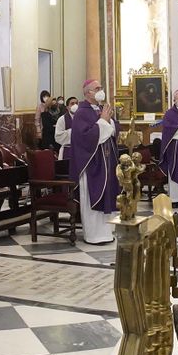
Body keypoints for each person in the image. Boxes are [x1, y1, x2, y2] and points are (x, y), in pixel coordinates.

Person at [69, 80, 120, 245]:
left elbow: (113, 131)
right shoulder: (81, 113)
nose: (100, 91)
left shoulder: (100, 109)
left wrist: (109, 121)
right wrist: (104, 121)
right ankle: (93, 235)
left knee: (107, 194)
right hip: (91, 163)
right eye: (97, 88)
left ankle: (107, 232)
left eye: (101, 88)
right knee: (92, 197)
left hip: (105, 161)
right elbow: (85, 138)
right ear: (87, 92)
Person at [56, 96, 78, 162]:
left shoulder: (82, 118)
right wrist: (73, 131)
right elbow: (58, 136)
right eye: (72, 103)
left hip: (80, 150)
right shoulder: (62, 119)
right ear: (67, 107)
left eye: (77, 103)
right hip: (67, 150)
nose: (75, 105)